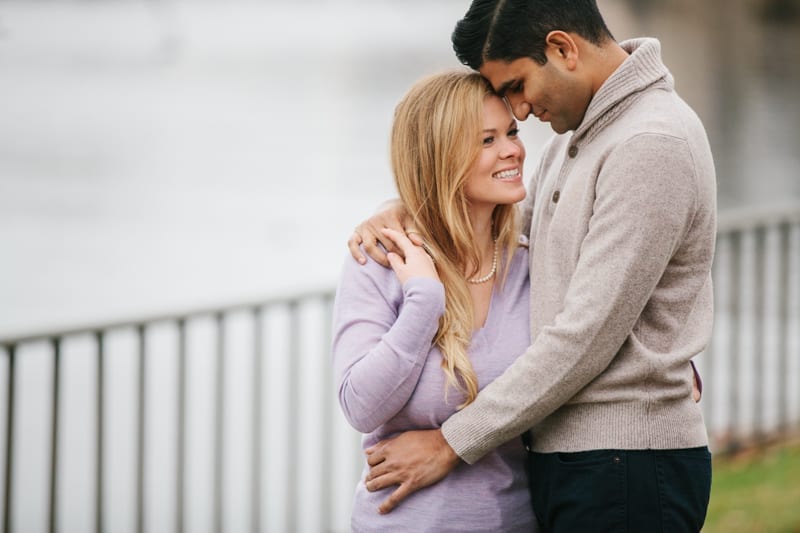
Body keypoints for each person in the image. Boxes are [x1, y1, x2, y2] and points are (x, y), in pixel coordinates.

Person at [347, 0, 717, 531]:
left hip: (626, 464)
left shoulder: (648, 142)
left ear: (562, 48)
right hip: (588, 461)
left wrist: (453, 441)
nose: (518, 112)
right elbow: (512, 229)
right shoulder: (586, 138)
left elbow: (586, 334)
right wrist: (405, 211)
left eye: (517, 87)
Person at [331, 69, 538, 532]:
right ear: (440, 158)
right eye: (487, 140)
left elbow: (581, 348)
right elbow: (360, 406)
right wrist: (423, 301)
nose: (513, 150)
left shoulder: (531, 261)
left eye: (511, 132)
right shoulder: (378, 263)